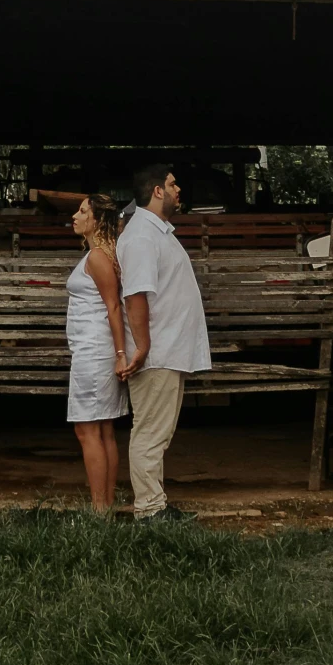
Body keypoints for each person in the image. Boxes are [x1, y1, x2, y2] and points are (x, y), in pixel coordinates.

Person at [116, 161, 211, 520]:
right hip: (156, 352)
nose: (178, 190)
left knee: (157, 433)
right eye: (173, 184)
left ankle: (155, 503)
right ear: (157, 191)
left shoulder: (156, 233)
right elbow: (135, 296)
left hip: (167, 349)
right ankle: (149, 510)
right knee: (151, 433)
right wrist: (142, 347)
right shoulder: (141, 236)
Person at [64, 192, 130, 513]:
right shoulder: (100, 254)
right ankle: (105, 507)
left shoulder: (98, 258)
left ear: (96, 220)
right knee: (103, 430)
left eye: (82, 211)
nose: (75, 216)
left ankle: (99, 510)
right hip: (93, 349)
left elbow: (114, 307)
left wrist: (120, 353)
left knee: (87, 430)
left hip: (95, 352)